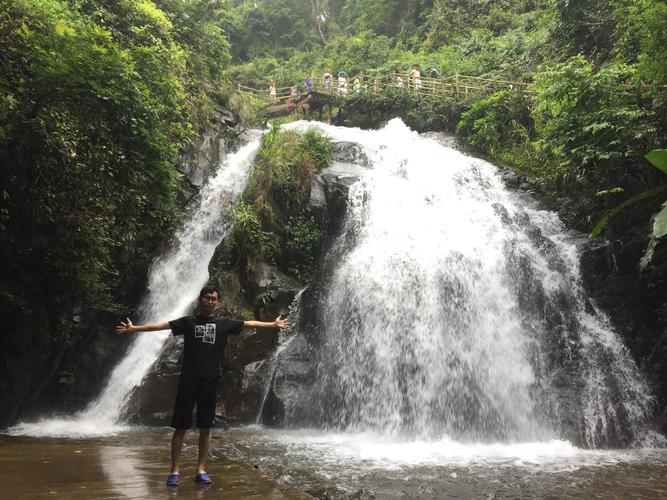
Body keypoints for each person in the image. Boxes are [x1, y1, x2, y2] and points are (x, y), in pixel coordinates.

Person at [115, 285, 289, 487]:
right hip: (188, 380)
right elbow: (161, 326)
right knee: (180, 428)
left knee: (205, 428)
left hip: (210, 380)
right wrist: (134, 328)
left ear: (218, 302)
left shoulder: (224, 323)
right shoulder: (188, 322)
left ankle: (201, 469)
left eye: (214, 299)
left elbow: (249, 323)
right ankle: (174, 471)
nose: (210, 301)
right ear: (200, 300)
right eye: (207, 298)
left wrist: (272, 325)